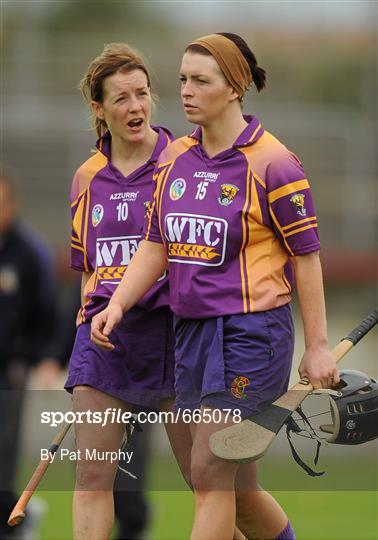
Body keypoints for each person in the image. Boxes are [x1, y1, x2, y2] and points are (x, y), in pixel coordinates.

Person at [91, 33, 340, 540]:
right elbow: (156, 243)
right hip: (191, 337)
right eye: (183, 79)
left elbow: (307, 258)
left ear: (234, 88)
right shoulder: (175, 159)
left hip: (251, 338)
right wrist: (116, 303)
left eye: (200, 81)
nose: (185, 90)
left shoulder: (274, 163)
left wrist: (316, 346)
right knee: (237, 494)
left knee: (208, 472)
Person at [64, 43, 192, 540]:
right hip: (104, 344)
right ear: (98, 109)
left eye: (142, 94)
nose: (136, 107)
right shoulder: (85, 178)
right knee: (92, 478)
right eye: (121, 98)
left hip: (174, 336)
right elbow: (87, 268)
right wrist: (85, 325)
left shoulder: (184, 163)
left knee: (206, 481)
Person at [0, 171, 57, 538]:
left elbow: (48, 310)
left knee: (3, 453)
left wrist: (44, 357)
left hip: (8, 370)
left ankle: (11, 520)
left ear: (13, 205)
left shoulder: (30, 252)